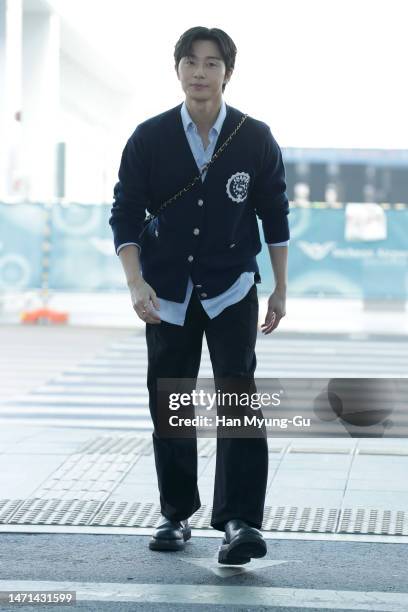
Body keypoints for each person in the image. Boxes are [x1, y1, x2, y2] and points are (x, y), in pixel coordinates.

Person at [109, 26, 289, 565]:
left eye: (212, 63)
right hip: (166, 293)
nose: (200, 72)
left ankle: (239, 521)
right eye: (191, 62)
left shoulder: (254, 137)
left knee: (237, 399)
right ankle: (175, 513)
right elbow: (125, 211)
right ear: (178, 70)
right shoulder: (150, 136)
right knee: (173, 401)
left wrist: (280, 287)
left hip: (233, 288)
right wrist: (135, 280)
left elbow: (273, 214)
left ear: (227, 73)